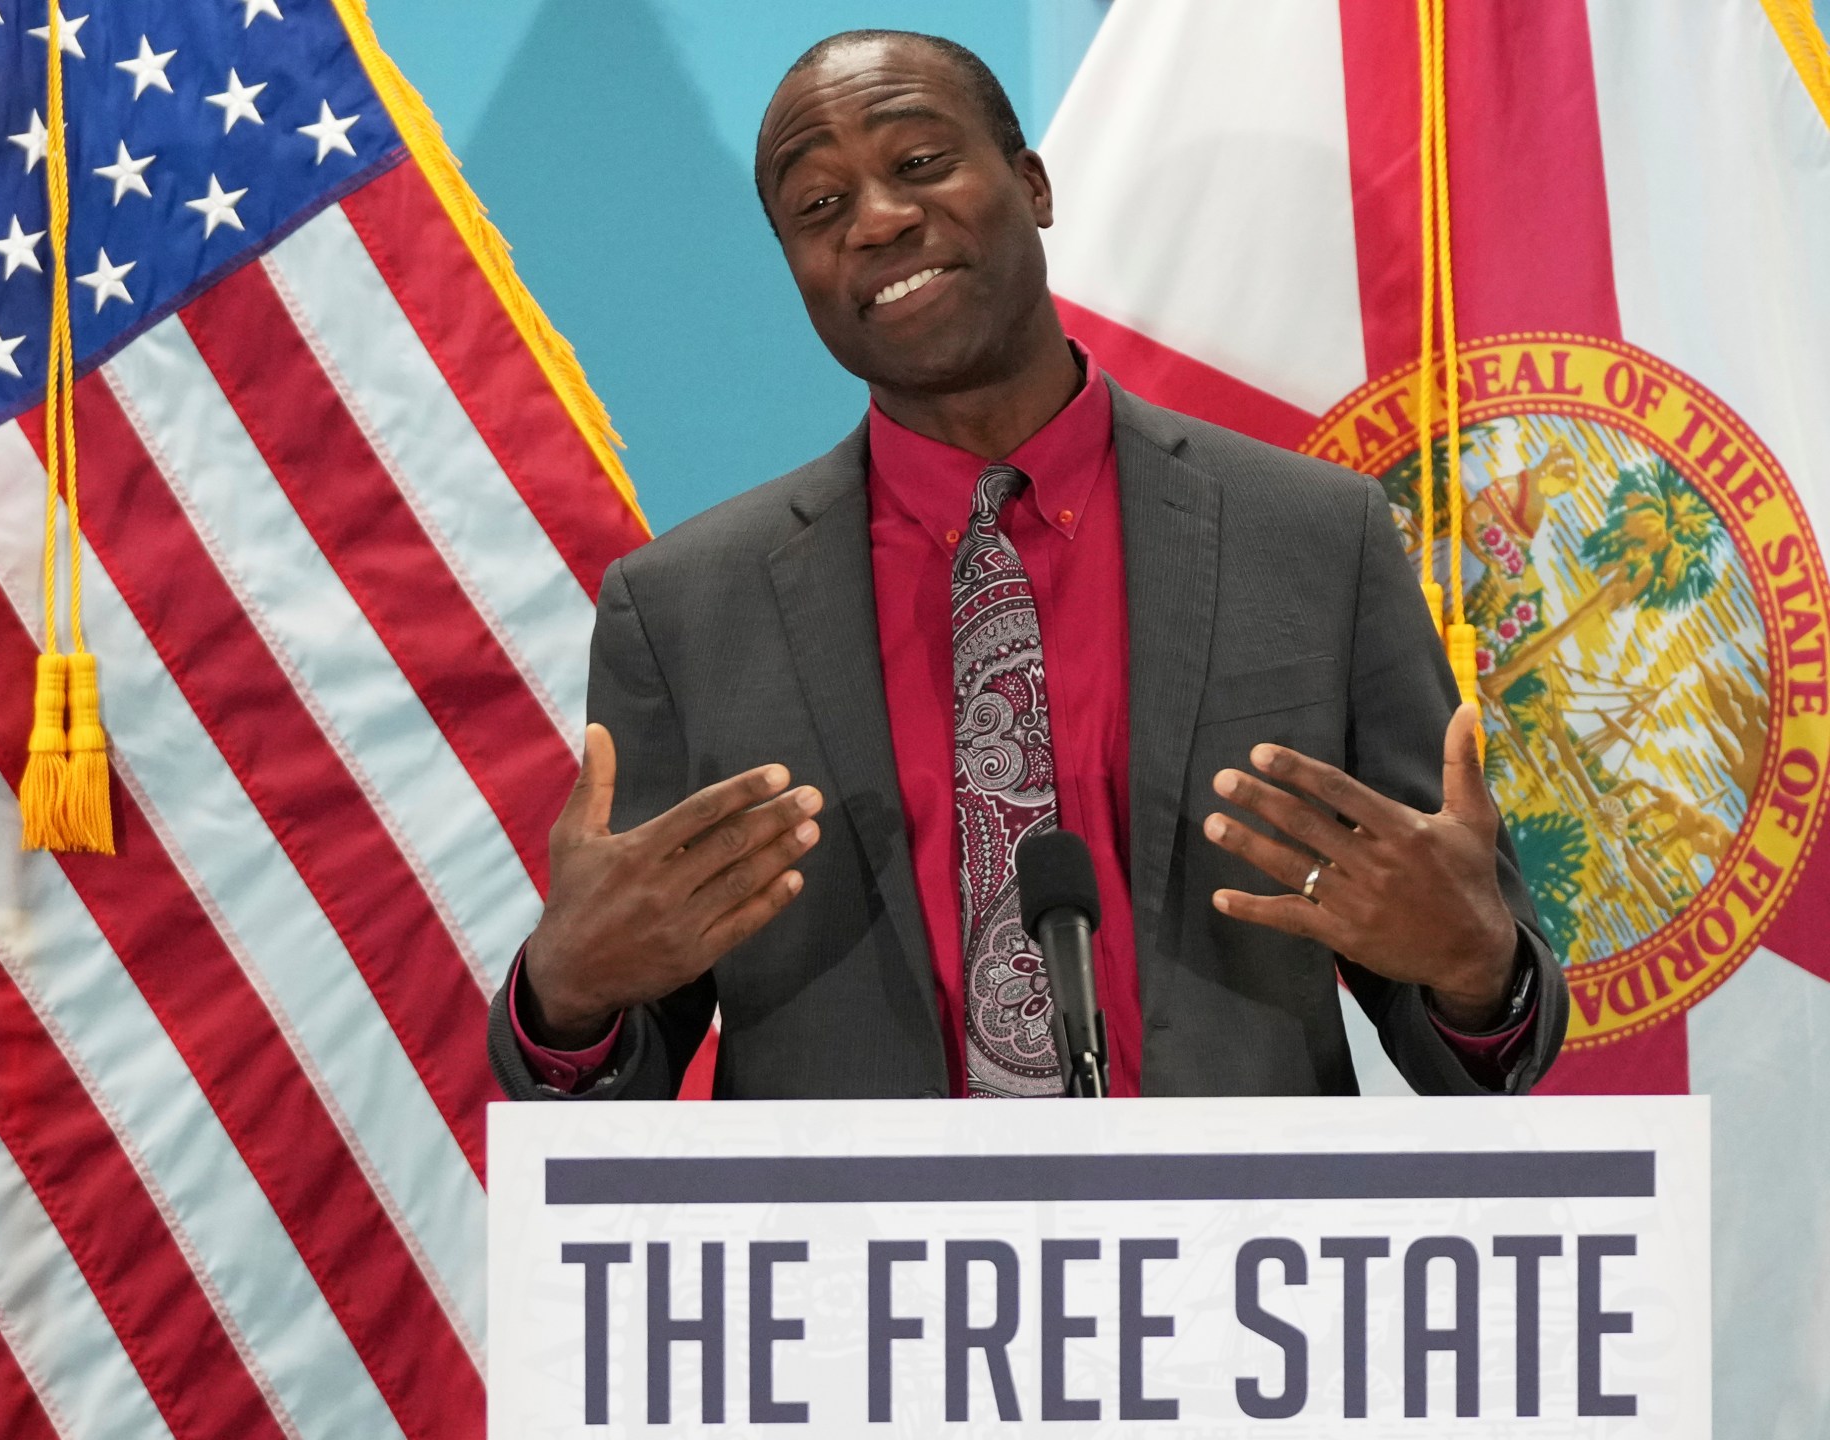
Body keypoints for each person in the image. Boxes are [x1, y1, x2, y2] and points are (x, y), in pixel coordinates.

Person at [486, 29, 1567, 1101]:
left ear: (1033, 186)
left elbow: (1476, 1031)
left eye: (920, 162)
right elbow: (612, 1078)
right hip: (847, 1218)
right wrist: (568, 999)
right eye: (819, 206)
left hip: (1235, 1211)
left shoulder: (1313, 537)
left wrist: (1478, 971)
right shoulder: (684, 611)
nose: (878, 219)